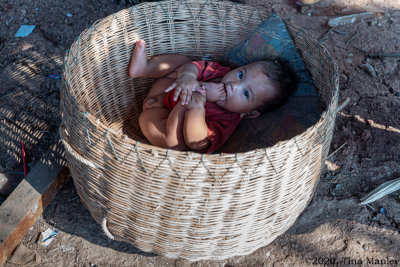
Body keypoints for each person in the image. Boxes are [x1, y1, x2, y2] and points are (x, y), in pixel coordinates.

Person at [129, 40, 294, 153]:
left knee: (174, 142)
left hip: (158, 118)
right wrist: (188, 77)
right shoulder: (219, 73)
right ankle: (145, 68)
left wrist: (196, 108)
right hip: (164, 88)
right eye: (241, 75)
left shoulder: (227, 119)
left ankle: (164, 104)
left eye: (245, 93)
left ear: (249, 113)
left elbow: (196, 142)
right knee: (184, 63)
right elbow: (193, 67)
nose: (234, 85)